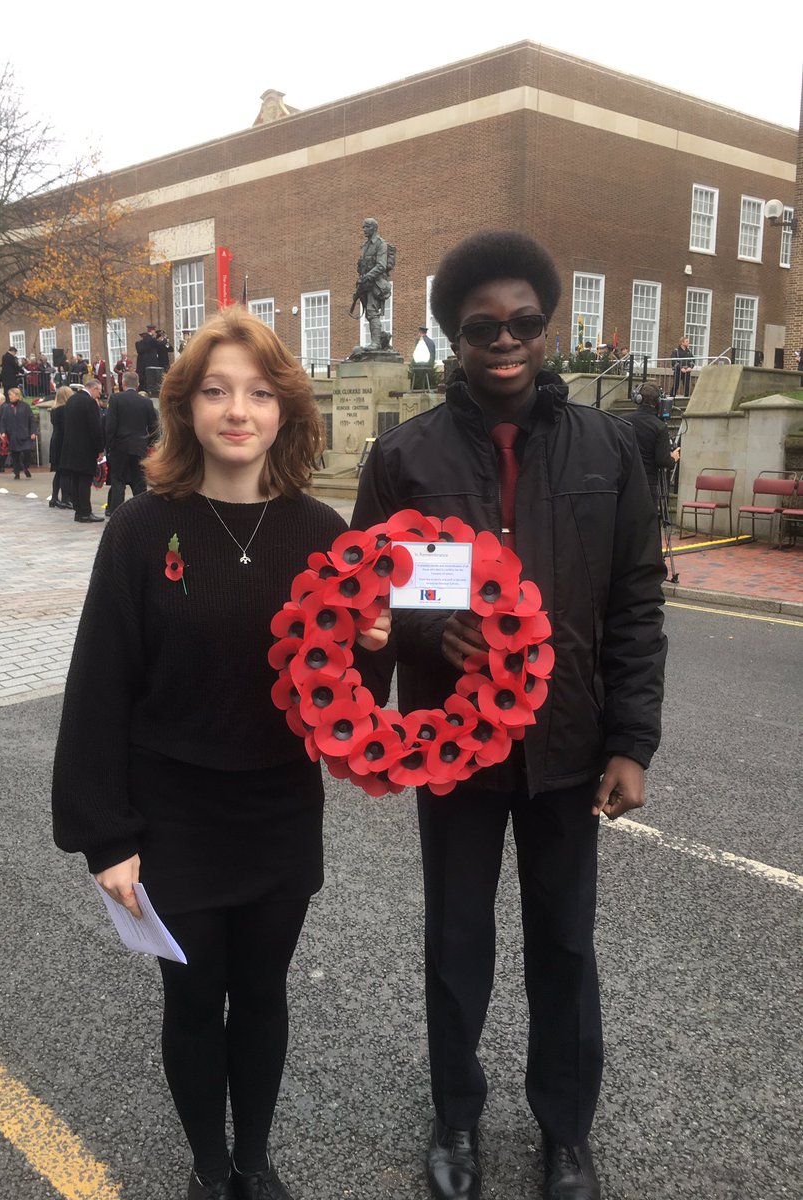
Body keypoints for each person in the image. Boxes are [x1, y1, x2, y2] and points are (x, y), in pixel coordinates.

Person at [352, 230, 667, 1200]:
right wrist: (421, 635)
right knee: (457, 944)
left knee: (565, 946)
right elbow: (365, 604)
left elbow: (637, 602)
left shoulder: (610, 449)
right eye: (483, 326)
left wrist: (633, 741)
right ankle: (457, 1119)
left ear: (547, 329)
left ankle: (565, 1131)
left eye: (525, 323)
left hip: (569, 746)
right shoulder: (403, 458)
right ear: (451, 336)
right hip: (453, 749)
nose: (506, 340)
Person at [51, 306, 388, 1200]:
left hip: (278, 806)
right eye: (215, 391)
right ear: (186, 408)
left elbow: (350, 709)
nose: (238, 410)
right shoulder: (138, 529)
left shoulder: (323, 534)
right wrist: (105, 835)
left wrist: (377, 643)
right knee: (195, 1000)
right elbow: (99, 686)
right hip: (173, 815)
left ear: (284, 411)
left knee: (264, 993)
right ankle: (208, 1166)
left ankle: (254, 1162)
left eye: (258, 393)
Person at [104, 370, 158, 516]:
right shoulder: (146, 402)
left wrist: (109, 445)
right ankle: (141, 514)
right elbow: (154, 427)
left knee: (118, 482)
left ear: (123, 383)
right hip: (139, 447)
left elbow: (110, 425)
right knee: (139, 483)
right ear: (138, 384)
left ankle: (116, 514)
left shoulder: (115, 399)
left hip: (119, 447)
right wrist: (149, 444)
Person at [622, 384, 679, 503]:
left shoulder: (622, 421)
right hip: (647, 485)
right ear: (659, 402)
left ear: (637, 399)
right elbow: (662, 460)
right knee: (647, 520)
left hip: (624, 482)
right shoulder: (659, 426)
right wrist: (673, 459)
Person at [58, 378, 105, 522]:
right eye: (99, 391)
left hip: (71, 447)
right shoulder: (89, 402)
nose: (99, 395)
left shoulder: (71, 400)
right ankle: (85, 512)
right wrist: (100, 449)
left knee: (76, 480)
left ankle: (78, 511)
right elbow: (95, 427)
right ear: (94, 388)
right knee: (84, 481)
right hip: (85, 448)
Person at [355, 218, 392, 349]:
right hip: (365, 284)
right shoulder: (365, 246)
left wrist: (368, 276)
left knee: (372, 312)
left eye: (367, 227)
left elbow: (381, 266)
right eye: (363, 227)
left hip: (376, 284)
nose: (364, 229)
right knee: (370, 315)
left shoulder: (381, 244)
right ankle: (381, 339)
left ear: (374, 228)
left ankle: (376, 343)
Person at [0, 388, 37, 479]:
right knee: (15, 454)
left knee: (27, 451)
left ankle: (25, 467)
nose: (9, 397)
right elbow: (3, 421)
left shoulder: (25, 406)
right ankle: (17, 472)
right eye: (9, 395)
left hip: (24, 434)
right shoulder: (7, 408)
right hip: (13, 435)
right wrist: (2, 432)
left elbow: (31, 420)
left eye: (11, 395)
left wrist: (33, 432)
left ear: (17, 396)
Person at [49, 385, 73, 509]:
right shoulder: (65, 410)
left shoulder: (54, 409)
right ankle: (65, 499)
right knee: (65, 471)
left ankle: (54, 498)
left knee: (59, 471)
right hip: (63, 441)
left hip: (55, 439)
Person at [411, 324, 437, 390]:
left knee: (415, 373)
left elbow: (416, 354)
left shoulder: (418, 341)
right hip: (429, 365)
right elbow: (433, 356)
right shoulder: (431, 342)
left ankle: (416, 388)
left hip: (419, 365)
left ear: (420, 332)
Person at [135, 324, 160, 391]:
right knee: (150, 384)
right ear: (152, 330)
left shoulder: (144, 342)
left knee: (144, 384)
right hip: (150, 366)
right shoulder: (151, 340)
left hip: (143, 368)